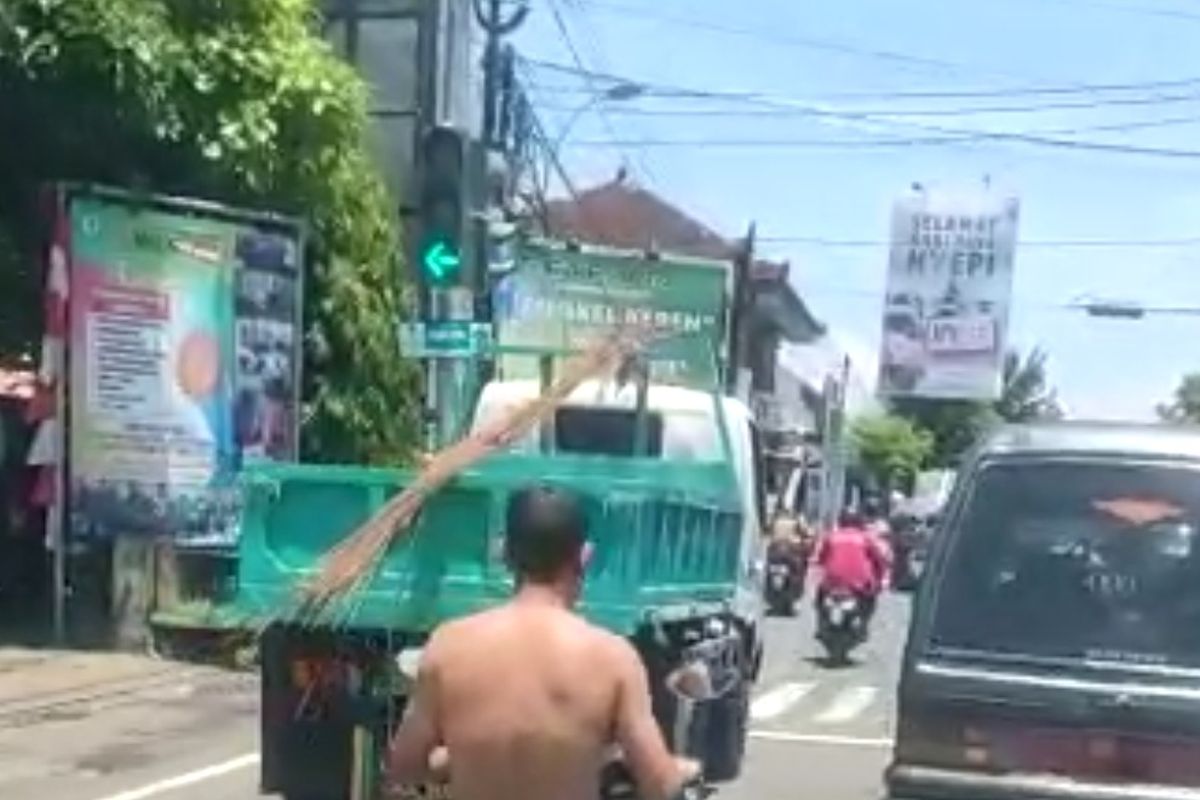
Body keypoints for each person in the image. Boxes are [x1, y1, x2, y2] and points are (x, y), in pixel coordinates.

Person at [386, 485, 699, 800]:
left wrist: (468, 754)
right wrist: (679, 770)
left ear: (505, 552)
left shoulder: (449, 646)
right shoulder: (612, 658)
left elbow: (404, 765)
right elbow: (659, 785)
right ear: (584, 556)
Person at [813, 508, 891, 622]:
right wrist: (880, 578)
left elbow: (820, 559)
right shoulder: (866, 538)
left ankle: (821, 620)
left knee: (820, 594)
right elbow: (879, 560)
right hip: (860, 583)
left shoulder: (831, 537)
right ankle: (864, 623)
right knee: (870, 597)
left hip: (832, 581)